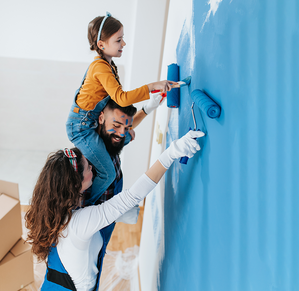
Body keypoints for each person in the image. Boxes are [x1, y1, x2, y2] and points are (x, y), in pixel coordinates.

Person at [25, 130, 205, 291]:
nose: (92, 169)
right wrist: (171, 153)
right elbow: (132, 196)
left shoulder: (50, 212)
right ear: (74, 184)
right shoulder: (79, 223)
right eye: (88, 168)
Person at [66, 11, 176, 205]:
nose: (123, 44)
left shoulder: (109, 65)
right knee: (107, 172)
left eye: (122, 39)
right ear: (101, 45)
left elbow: (120, 105)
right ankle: (85, 207)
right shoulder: (100, 68)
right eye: (119, 40)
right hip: (81, 128)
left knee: (118, 147)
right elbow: (122, 98)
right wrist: (151, 87)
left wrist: (148, 105)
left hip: (88, 123)